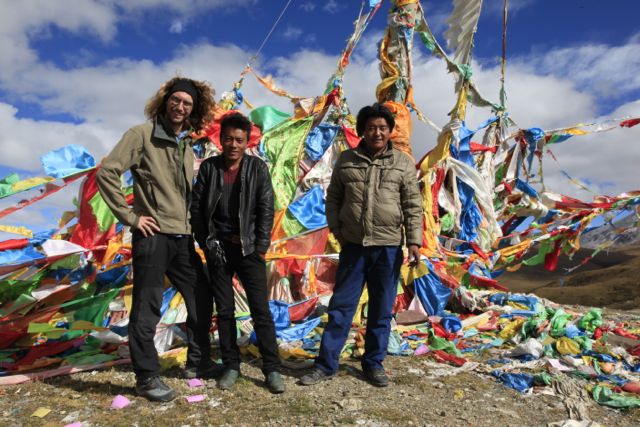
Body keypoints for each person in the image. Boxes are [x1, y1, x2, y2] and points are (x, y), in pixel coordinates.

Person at [96, 77, 220, 402]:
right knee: (147, 307)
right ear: (165, 102)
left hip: (182, 238)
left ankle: (198, 362)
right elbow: (107, 172)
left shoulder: (186, 145)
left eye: (187, 103)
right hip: (152, 237)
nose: (180, 107)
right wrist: (131, 217)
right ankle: (147, 377)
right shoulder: (141, 135)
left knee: (201, 296)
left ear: (194, 110)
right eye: (176, 100)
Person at [300, 103, 423, 387]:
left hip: (388, 248)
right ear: (362, 131)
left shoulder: (402, 163)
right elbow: (333, 198)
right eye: (371, 128)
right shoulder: (347, 160)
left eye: (382, 128)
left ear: (390, 131)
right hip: (354, 247)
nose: (377, 133)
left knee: (381, 310)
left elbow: (412, 205)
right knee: (341, 308)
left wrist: (414, 241)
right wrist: (337, 230)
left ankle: (373, 364)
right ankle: (325, 365)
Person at [190, 112, 284, 394]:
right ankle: (231, 365)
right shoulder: (209, 168)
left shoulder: (257, 168)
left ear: (246, 142)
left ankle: (272, 368)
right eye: (229, 139)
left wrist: (260, 247)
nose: (233, 144)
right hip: (218, 248)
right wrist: (206, 242)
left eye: (239, 140)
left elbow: (266, 208)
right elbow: (197, 209)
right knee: (225, 311)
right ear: (221, 140)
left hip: (249, 248)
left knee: (260, 310)